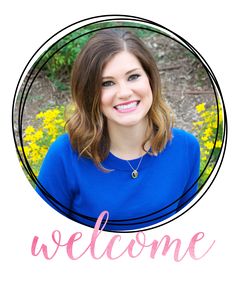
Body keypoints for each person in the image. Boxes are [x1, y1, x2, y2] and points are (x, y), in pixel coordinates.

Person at [36, 28, 200, 231]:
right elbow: (41, 240)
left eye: (133, 77)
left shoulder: (186, 149)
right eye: (107, 83)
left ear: (150, 79)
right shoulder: (64, 156)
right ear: (88, 93)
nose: (124, 93)